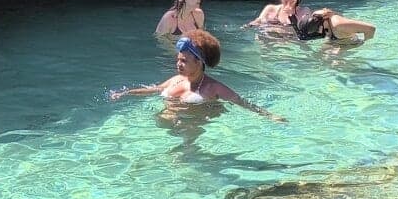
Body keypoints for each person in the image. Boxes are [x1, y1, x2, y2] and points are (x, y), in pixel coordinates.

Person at [109, 31, 283, 120]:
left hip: (191, 130)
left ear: (199, 62)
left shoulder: (213, 87)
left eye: (184, 61)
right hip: (167, 124)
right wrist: (126, 93)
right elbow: (154, 89)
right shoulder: (176, 80)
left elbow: (242, 103)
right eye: (178, 59)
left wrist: (270, 116)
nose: (179, 64)